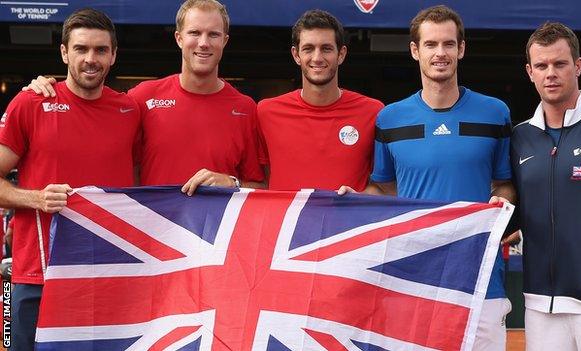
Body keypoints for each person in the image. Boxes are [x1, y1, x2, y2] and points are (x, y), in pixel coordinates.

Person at [341, 5, 515, 350]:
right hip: (413, 277)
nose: (440, 53)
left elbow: (504, 182)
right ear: (415, 50)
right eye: (431, 44)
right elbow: (382, 187)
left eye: (449, 44)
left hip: (481, 277)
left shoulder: (495, 112)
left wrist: (504, 201)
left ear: (461, 49)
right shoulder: (389, 119)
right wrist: (353, 203)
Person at [0, 8, 140, 350]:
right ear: (64, 52)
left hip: (110, 276)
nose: (90, 59)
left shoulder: (130, 111)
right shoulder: (31, 103)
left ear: (113, 55)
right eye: (81, 49)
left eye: (100, 50)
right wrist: (35, 198)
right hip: (40, 276)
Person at [25, 0, 265, 193]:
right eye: (195, 33)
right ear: (179, 38)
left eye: (213, 34)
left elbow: (261, 187)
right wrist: (51, 89)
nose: (203, 43)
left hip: (215, 248)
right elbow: (89, 110)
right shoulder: (141, 99)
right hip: (152, 245)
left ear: (224, 41)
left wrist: (231, 184)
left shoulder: (245, 108)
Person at [512, 22, 581, 350]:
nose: (551, 73)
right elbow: (513, 205)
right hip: (540, 305)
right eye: (542, 66)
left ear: (578, 66)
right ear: (530, 71)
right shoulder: (520, 137)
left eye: (560, 64)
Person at [234, 10, 383, 192]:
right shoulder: (266, 112)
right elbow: (261, 183)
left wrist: (360, 199)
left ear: (341, 54)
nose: (317, 58)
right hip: (285, 221)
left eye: (326, 48)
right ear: (296, 55)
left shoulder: (373, 112)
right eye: (308, 48)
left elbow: (384, 187)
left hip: (349, 221)